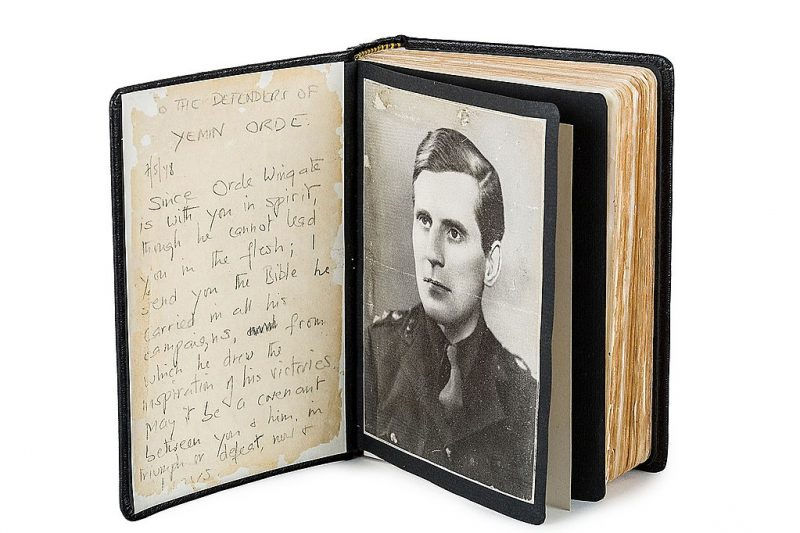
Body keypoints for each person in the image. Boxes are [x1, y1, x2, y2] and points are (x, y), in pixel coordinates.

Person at [364, 128, 538, 500]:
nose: (432, 253)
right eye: (424, 220)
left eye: (454, 233)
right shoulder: (376, 352)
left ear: (491, 264)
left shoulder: (524, 397)